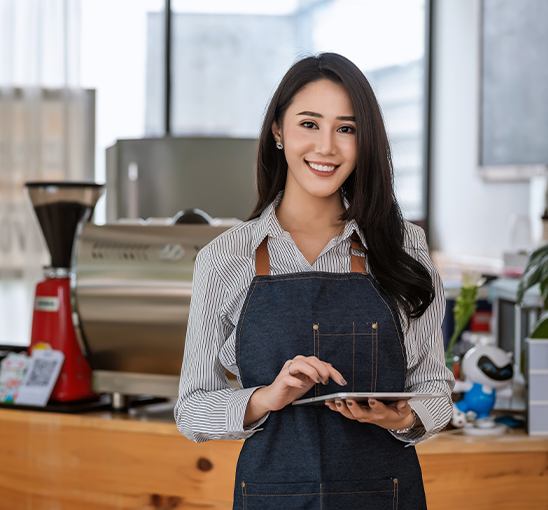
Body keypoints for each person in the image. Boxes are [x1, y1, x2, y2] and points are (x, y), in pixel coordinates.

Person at [174, 52, 454, 509]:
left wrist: (400, 417)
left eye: (346, 128)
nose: (326, 146)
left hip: (384, 495)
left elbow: (435, 390)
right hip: (272, 496)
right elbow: (191, 410)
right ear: (278, 132)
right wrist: (266, 397)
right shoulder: (225, 257)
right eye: (309, 124)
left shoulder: (404, 245)